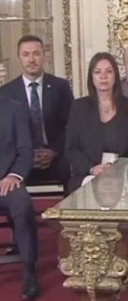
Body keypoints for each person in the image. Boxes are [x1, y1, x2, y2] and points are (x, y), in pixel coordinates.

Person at [0, 34, 73, 193]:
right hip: (20, 159)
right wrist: (26, 155)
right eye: (26, 55)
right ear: (19, 58)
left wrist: (53, 151)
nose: (31, 60)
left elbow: (71, 126)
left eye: (36, 54)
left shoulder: (60, 87)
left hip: (54, 156)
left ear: (44, 56)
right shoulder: (6, 93)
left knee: (70, 169)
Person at [65, 52, 128, 193]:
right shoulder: (79, 107)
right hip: (89, 174)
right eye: (98, 72)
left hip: (123, 175)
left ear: (115, 76)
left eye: (109, 71)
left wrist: (119, 168)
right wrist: (92, 169)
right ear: (91, 77)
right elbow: (71, 149)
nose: (103, 76)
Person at [0, 95, 39, 300]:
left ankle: (29, 269)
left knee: (22, 204)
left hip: (6, 181)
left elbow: (25, 151)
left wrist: (14, 175)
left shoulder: (14, 109)